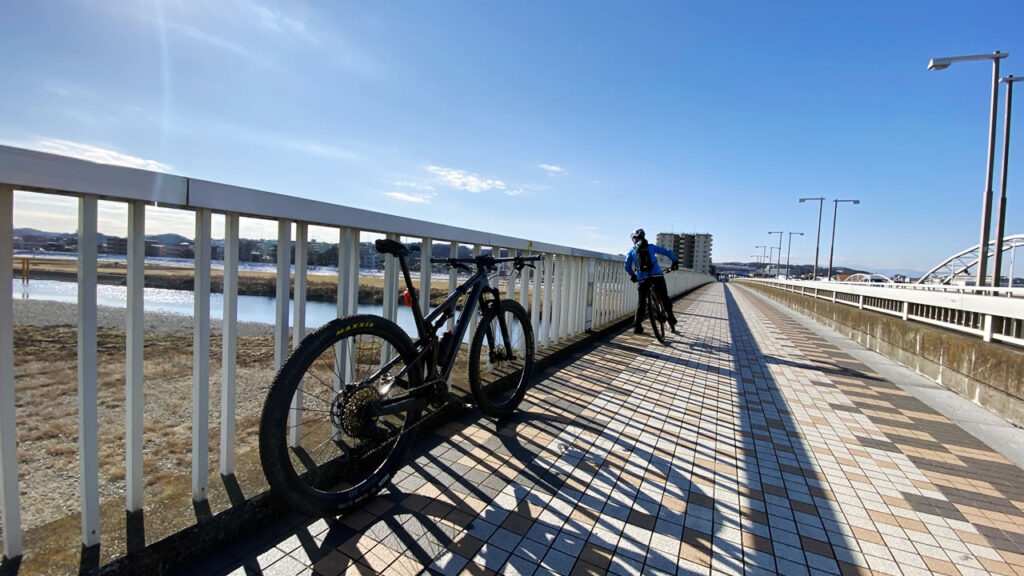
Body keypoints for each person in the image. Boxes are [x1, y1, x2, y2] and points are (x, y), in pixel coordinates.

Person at [624, 228, 679, 334]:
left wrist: (633, 275)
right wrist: (674, 261)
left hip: (642, 278)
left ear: (634, 239)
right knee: (664, 296)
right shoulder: (651, 247)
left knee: (642, 302)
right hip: (657, 275)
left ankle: (637, 327)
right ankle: (670, 317)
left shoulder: (631, 251)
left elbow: (627, 266)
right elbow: (668, 252)